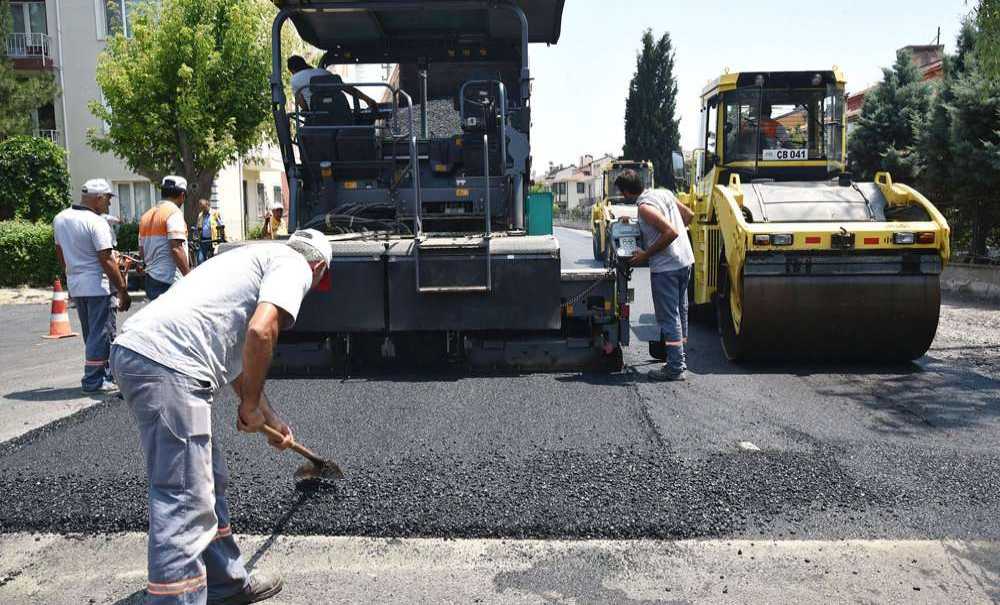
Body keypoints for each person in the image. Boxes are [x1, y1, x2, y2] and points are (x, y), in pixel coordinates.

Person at [110, 229, 332, 605]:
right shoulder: (295, 265)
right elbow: (261, 332)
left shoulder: (251, 259)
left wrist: (268, 417)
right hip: (169, 364)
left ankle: (226, 582)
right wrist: (247, 406)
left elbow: (235, 359)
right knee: (183, 498)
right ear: (320, 268)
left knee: (206, 478)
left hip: (144, 354)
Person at [53, 178, 132, 393]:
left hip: (77, 284)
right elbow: (106, 259)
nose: (109, 204)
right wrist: (123, 289)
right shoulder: (96, 222)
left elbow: (61, 254)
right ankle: (93, 381)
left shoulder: (60, 218)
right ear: (98, 198)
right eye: (107, 199)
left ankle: (104, 374)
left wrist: (72, 274)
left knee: (92, 334)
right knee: (102, 333)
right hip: (98, 286)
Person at [616, 169, 695, 381]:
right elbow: (688, 216)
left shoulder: (644, 208)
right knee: (681, 312)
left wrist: (645, 254)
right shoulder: (664, 194)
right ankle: (678, 357)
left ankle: (676, 367)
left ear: (625, 192)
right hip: (685, 261)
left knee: (669, 317)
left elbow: (671, 232)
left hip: (666, 268)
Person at [140, 176, 192, 300]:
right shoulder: (174, 213)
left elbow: (142, 251)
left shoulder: (146, 216)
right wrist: (189, 278)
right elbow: (176, 248)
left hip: (151, 279)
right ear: (182, 195)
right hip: (169, 280)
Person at [287, 55, 378, 111]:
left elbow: (304, 106)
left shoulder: (295, 79)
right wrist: (368, 100)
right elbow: (348, 89)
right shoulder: (323, 72)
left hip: (318, 117)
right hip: (340, 111)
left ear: (292, 70)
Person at [196, 199, 225, 264]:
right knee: (200, 259)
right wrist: (196, 235)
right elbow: (197, 227)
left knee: (213, 260)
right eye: (201, 208)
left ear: (208, 205)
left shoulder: (215, 213)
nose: (203, 210)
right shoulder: (200, 215)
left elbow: (221, 225)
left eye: (203, 208)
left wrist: (223, 237)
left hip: (213, 240)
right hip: (203, 240)